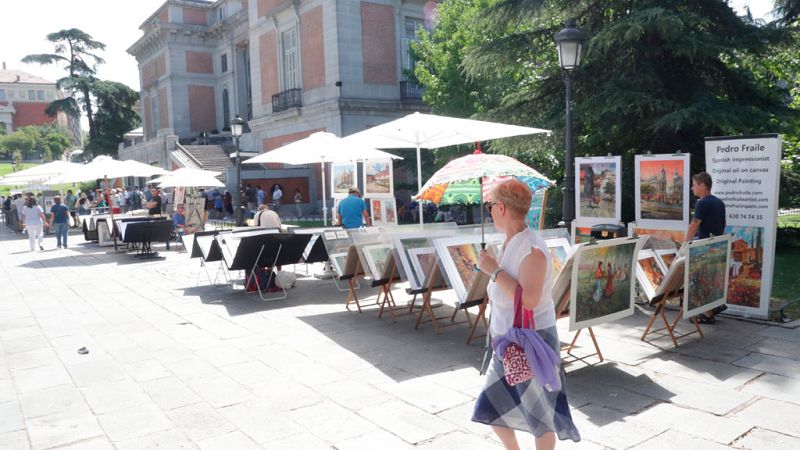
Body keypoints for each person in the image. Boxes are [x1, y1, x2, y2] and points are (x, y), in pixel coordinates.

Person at [473, 178, 580, 449]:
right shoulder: (510, 242)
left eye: (490, 206)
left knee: (540, 417)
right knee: (493, 410)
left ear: (501, 207)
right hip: (507, 342)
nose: (489, 211)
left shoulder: (532, 249)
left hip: (530, 341)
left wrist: (493, 270)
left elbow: (529, 300)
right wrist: (494, 267)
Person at [685, 171, 727, 324]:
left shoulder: (702, 203)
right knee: (711, 279)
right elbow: (723, 225)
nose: (692, 188)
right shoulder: (719, 202)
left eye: (694, 185)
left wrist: (685, 243)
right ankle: (713, 308)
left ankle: (709, 313)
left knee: (699, 280)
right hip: (717, 245)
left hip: (704, 248)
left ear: (703, 186)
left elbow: (695, 224)